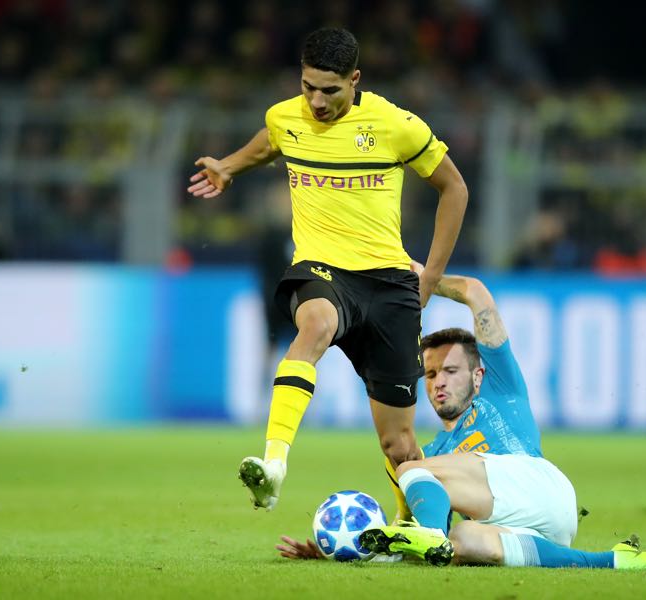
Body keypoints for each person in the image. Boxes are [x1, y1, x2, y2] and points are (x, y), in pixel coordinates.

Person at [188, 28, 468, 510]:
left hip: (389, 283)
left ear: (355, 80)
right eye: (307, 87)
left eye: (330, 91)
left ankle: (412, 528)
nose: (316, 101)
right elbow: (269, 143)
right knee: (314, 323)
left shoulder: (394, 125)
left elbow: (455, 189)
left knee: (398, 445)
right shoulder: (285, 116)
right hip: (322, 268)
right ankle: (273, 464)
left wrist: (428, 278)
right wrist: (230, 166)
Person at [276, 263, 646, 571]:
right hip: (539, 529)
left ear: (479, 374)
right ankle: (615, 561)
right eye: (430, 374)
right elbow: (413, 542)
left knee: (413, 471)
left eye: (450, 372)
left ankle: (432, 532)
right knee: (461, 540)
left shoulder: (501, 388)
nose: (438, 383)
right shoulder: (436, 454)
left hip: (540, 484)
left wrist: (422, 274)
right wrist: (340, 553)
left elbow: (476, 293)